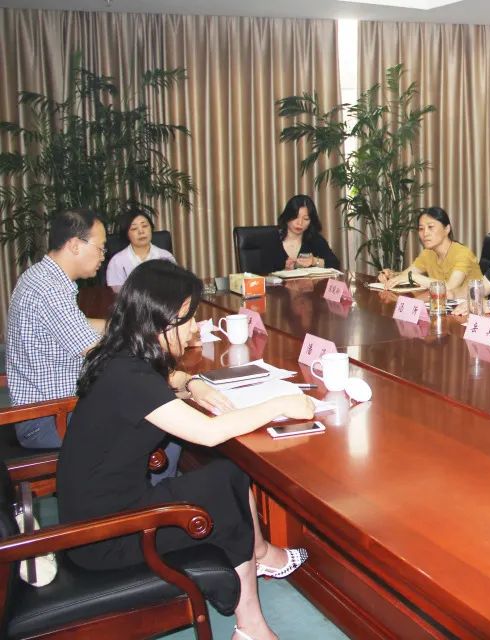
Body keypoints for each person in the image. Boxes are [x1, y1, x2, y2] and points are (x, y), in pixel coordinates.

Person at [57, 260, 315, 640]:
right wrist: (280, 403)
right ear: (161, 322)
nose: (195, 328)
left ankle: (260, 555)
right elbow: (208, 433)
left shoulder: (121, 356)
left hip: (100, 515)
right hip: (106, 535)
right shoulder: (129, 376)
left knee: (229, 471)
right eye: (188, 318)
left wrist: (192, 383)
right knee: (218, 493)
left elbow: (164, 380)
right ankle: (252, 628)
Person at [5, 209, 106, 449]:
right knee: (145, 424)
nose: (103, 256)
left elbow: (77, 324)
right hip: (49, 419)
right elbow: (99, 353)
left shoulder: (39, 275)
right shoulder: (50, 290)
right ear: (75, 245)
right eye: (101, 248)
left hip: (51, 410)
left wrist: (122, 324)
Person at [378, 207, 482, 292]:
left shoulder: (463, 254)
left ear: (447, 229)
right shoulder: (428, 253)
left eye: (430, 227)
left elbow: (450, 287)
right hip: (441, 304)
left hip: (473, 307)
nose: (425, 233)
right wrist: (391, 275)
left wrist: (413, 277)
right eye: (421, 229)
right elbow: (407, 274)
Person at [105, 208, 177, 287]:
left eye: (144, 226)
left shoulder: (166, 257)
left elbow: (174, 286)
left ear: (151, 228)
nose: (141, 231)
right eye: (134, 228)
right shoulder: (117, 262)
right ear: (127, 235)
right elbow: (115, 292)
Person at [267, 194, 341, 272]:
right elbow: (261, 270)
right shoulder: (272, 238)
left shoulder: (315, 239)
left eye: (306, 219)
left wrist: (314, 261)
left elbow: (335, 264)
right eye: (295, 217)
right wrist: (284, 270)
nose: (300, 223)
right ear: (287, 216)